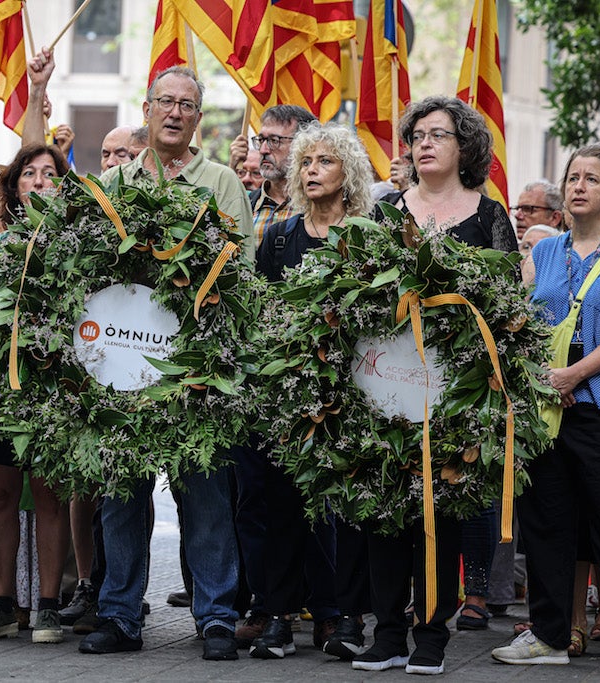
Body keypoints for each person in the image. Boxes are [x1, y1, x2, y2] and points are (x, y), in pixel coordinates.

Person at [79, 66, 252, 661]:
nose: (175, 113)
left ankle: (217, 618)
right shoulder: (116, 182)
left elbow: (240, 272)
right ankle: (121, 615)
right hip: (123, 367)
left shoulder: (222, 182)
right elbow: (92, 271)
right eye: (165, 103)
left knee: (204, 497)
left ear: (198, 119)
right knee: (121, 497)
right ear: (147, 110)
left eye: (187, 105)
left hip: (195, 369)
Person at [355, 95, 517, 675]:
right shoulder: (386, 212)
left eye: (438, 135)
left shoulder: (489, 215)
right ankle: (387, 636)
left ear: (465, 147)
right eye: (417, 135)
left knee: (440, 514)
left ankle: (430, 640)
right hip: (391, 385)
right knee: (385, 511)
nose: (423, 144)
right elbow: (362, 295)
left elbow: (507, 306)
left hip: (457, 391)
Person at [492, 145, 600, 676]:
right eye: (572, 177)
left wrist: (575, 375)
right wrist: (542, 378)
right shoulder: (544, 254)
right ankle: (549, 634)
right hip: (547, 406)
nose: (578, 187)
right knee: (547, 524)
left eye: (591, 180)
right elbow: (515, 325)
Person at [248, 123, 376, 660]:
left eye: (325, 161)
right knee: (278, 505)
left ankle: (343, 618)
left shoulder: (369, 235)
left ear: (348, 172)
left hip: (352, 394)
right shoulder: (278, 237)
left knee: (345, 508)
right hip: (287, 394)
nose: (312, 170)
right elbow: (258, 311)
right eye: (306, 162)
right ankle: (277, 616)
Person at [0, 141, 72, 646]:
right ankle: (2, 603)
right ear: (13, 186)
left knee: (51, 495)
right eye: (29, 173)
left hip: (51, 381)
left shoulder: (74, 242)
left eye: (50, 173)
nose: (40, 181)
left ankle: (47, 606)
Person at [228, 105, 318, 251]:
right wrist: (231, 169)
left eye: (274, 140)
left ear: (304, 146)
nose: (263, 150)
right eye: (261, 139)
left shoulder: (320, 208)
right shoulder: (246, 204)